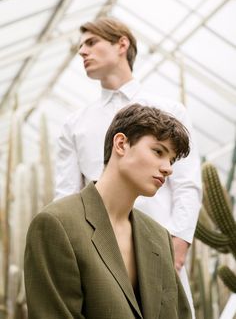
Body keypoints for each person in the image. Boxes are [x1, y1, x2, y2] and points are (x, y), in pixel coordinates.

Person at [55, 17, 202, 315]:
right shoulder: (74, 125)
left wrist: (176, 248)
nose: (82, 51)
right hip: (98, 256)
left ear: (122, 44)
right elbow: (65, 195)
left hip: (160, 252)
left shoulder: (170, 111)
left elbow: (187, 185)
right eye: (80, 46)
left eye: (91, 42)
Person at [24, 104, 192, 319]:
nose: (168, 168)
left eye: (171, 160)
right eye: (158, 151)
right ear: (121, 144)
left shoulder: (159, 237)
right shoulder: (57, 225)